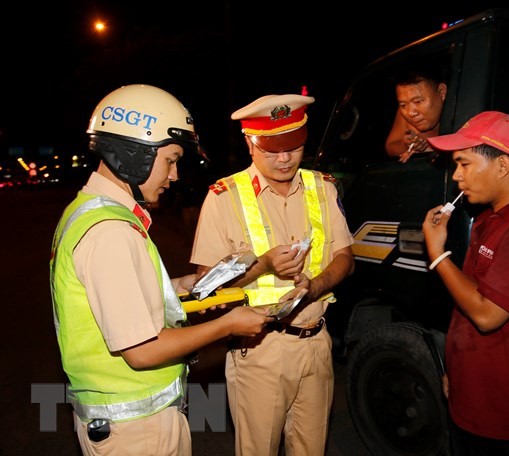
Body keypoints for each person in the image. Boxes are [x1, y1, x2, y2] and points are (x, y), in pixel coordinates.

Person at [49, 84, 273, 456]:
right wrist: (228, 325)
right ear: (133, 154)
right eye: (170, 160)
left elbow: (116, 299)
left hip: (125, 424)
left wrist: (187, 284)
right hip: (135, 432)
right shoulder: (111, 232)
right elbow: (142, 349)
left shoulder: (90, 212)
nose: (174, 175)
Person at [190, 93, 355, 455]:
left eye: (293, 147)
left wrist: (314, 288)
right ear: (250, 143)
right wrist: (262, 265)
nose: (284, 159)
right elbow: (205, 287)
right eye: (272, 149)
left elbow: (345, 257)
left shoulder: (322, 187)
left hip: (316, 344)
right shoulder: (223, 198)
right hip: (260, 351)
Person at [421, 111, 509, 455]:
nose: (456, 176)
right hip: (473, 398)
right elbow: (467, 303)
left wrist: (437, 254)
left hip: (505, 414)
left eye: (464, 164)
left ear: (502, 166)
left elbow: (487, 314)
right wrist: (458, 374)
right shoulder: (491, 220)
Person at [385, 69, 447, 163]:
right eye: (403, 105)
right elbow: (391, 146)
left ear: (442, 92)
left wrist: (431, 148)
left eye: (418, 101)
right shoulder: (406, 110)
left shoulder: (462, 109)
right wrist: (406, 145)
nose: (411, 113)